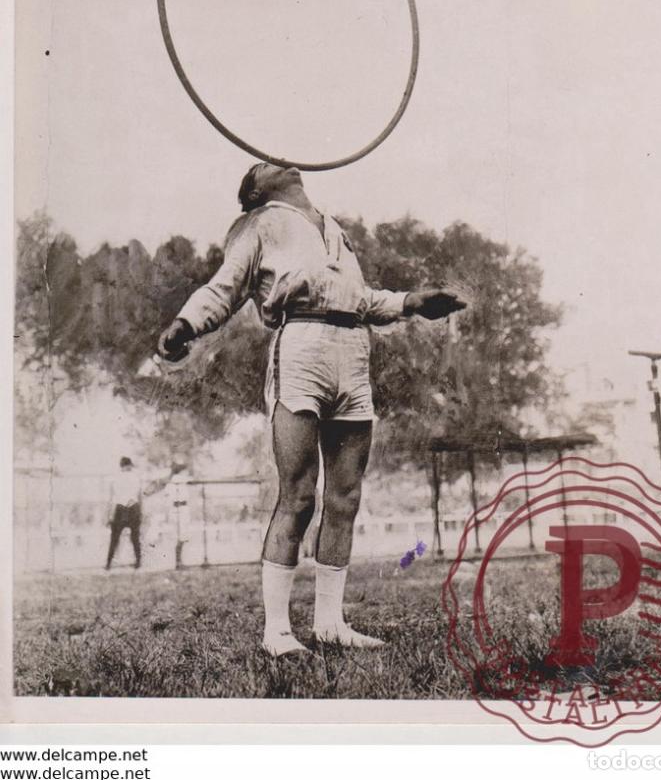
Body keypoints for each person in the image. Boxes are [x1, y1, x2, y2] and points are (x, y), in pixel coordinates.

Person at [157, 163, 466, 655]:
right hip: (301, 346)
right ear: (257, 188)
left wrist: (412, 301)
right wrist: (186, 323)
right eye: (265, 163)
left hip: (353, 350)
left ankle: (330, 623)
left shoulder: (331, 228)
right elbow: (226, 287)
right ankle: (277, 631)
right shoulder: (260, 224)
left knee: (344, 497)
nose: (284, 159)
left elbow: (362, 298)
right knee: (298, 496)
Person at [105, 457, 183, 570]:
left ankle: (108, 563)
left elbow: (111, 498)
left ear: (121, 466)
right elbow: (140, 496)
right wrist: (140, 512)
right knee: (135, 538)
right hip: (133, 507)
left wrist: (110, 515)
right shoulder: (135, 477)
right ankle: (138, 563)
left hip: (120, 508)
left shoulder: (115, 478)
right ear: (130, 466)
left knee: (115, 538)